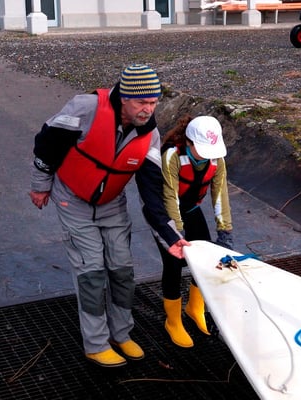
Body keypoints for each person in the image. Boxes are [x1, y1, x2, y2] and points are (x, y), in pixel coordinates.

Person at [29, 64, 189, 367]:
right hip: (73, 199)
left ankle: (121, 334)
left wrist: (171, 237)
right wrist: (40, 185)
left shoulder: (149, 136)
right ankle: (96, 344)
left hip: (111, 203)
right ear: (124, 97)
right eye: (142, 102)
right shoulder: (86, 108)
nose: (148, 110)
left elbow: (152, 194)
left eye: (153, 102)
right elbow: (46, 143)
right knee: (92, 271)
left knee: (122, 270)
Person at [156, 115, 234, 348]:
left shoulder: (216, 160)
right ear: (189, 142)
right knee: (173, 264)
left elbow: (220, 194)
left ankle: (195, 307)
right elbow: (170, 196)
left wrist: (225, 231)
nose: (209, 155)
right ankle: (173, 320)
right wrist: (177, 234)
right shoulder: (172, 156)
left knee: (205, 259)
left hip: (191, 209)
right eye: (203, 149)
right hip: (166, 215)